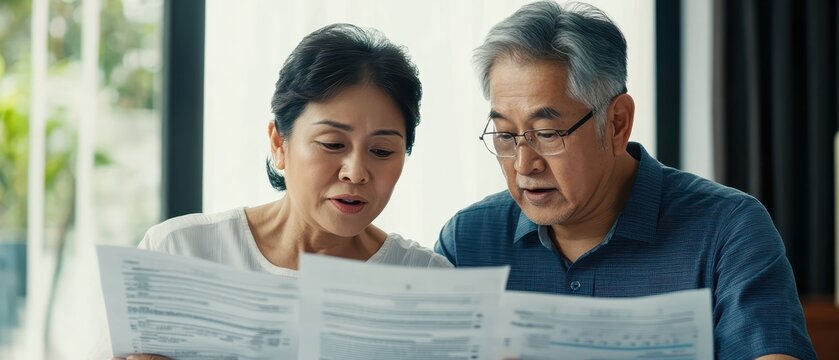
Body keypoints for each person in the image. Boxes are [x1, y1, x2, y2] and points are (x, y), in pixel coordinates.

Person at [434, 1, 815, 359]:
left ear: (617, 123)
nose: (523, 164)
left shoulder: (727, 230)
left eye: (547, 134)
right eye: (505, 136)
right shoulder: (469, 242)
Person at [95, 23, 451, 360]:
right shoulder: (178, 252)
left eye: (382, 151)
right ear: (279, 143)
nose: (356, 172)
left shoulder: (426, 283)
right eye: (331, 143)